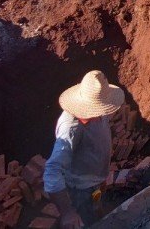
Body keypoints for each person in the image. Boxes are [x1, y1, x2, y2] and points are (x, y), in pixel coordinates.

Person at [43, 70, 125, 229]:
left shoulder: (99, 112)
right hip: (80, 191)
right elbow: (52, 171)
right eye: (99, 108)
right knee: (87, 221)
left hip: (95, 183)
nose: (102, 113)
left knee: (96, 211)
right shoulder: (71, 128)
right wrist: (67, 212)